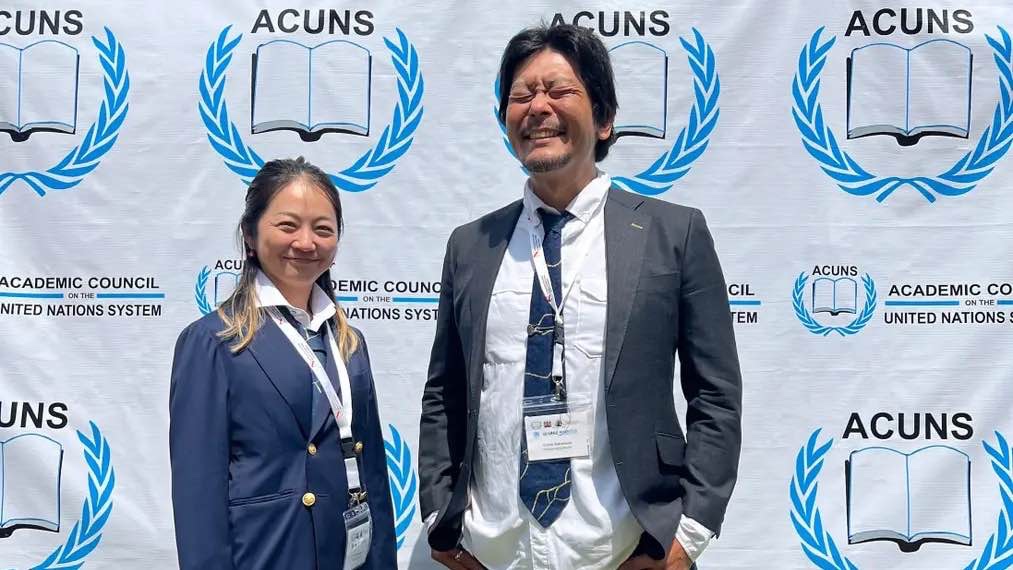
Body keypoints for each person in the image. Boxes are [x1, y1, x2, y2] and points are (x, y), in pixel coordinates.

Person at [418, 24, 742, 570]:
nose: (537, 107)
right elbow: (443, 393)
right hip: (495, 547)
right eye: (521, 95)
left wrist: (687, 536)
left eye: (558, 91)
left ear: (605, 118)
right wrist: (439, 519)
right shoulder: (471, 246)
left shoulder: (672, 234)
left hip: (624, 547)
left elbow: (716, 395)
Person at [169, 157, 396, 569]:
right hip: (265, 554)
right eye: (288, 226)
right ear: (250, 234)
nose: (306, 243)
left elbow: (373, 474)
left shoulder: (350, 342)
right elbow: (198, 495)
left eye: (323, 229)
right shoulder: (213, 341)